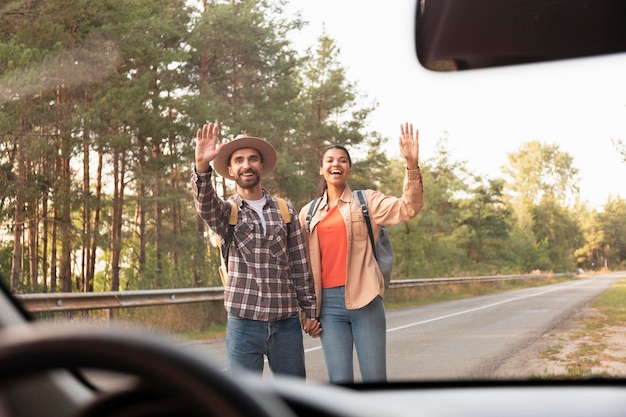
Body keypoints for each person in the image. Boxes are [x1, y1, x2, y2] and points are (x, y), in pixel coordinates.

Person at [191, 122, 321, 378]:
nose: (246, 165)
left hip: (286, 322)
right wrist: (202, 167)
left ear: (261, 166)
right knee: (243, 400)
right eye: (239, 160)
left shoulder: (286, 210)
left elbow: (299, 265)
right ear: (230, 169)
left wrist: (310, 311)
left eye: (252, 159)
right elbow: (205, 204)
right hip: (243, 323)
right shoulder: (226, 211)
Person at [298, 122, 423, 383]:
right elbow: (301, 267)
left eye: (343, 160)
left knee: (375, 379)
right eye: (330, 160)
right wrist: (308, 312)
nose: (336, 164)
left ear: (349, 169)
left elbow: (408, 208)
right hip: (327, 308)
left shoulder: (366, 201)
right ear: (321, 169)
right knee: (339, 381)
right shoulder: (307, 214)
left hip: (366, 300)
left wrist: (411, 165)